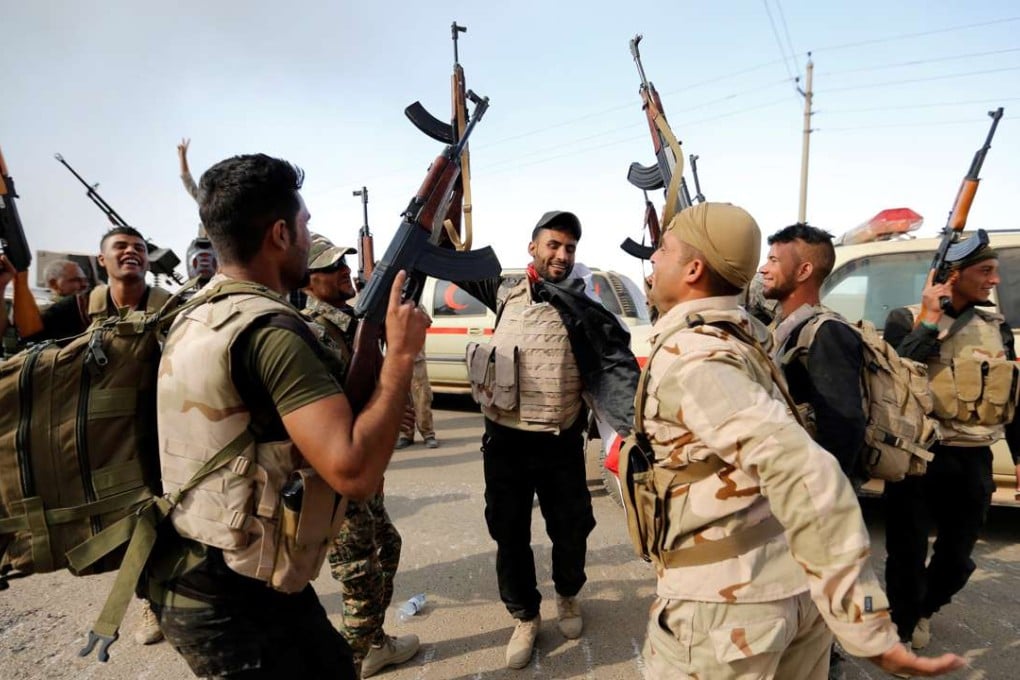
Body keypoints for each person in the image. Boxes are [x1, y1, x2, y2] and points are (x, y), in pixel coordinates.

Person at [636, 201, 964, 679]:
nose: (652, 258)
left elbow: (808, 469)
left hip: (729, 611)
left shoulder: (695, 358)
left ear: (693, 269)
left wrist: (865, 623)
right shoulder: (744, 334)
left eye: (663, 249)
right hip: (780, 589)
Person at [144, 153, 428, 679]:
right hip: (231, 593)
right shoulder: (272, 331)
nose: (307, 237)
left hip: (208, 562)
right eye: (304, 225)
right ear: (279, 233)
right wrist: (401, 359)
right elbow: (354, 472)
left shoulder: (194, 310)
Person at [458, 210, 639, 670]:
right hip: (505, 442)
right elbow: (456, 261)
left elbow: (613, 363)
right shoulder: (504, 291)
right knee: (509, 533)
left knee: (572, 528)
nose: (561, 255)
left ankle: (569, 595)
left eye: (570, 248)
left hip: (560, 442)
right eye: (553, 245)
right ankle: (525, 616)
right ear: (533, 247)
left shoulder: (582, 303)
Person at [882, 229, 1020, 651]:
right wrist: (929, 321)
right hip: (918, 457)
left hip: (973, 458)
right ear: (954, 275)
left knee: (958, 558)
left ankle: (924, 608)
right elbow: (895, 375)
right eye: (986, 271)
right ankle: (902, 629)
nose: (995, 280)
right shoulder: (906, 319)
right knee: (906, 553)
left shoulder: (996, 327)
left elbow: (1011, 392)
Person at [301, 232, 420, 677]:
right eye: (330, 267)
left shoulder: (351, 322)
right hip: (333, 478)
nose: (343, 271)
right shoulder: (312, 332)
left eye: (343, 263)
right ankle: (350, 663)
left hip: (361, 471)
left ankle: (373, 642)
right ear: (308, 280)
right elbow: (326, 410)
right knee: (360, 584)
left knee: (387, 546)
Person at [760, 223, 867, 486]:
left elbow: (844, 427)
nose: (764, 269)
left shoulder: (828, 333)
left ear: (804, 271)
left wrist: (826, 491)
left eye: (774, 261)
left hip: (814, 486)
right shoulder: (783, 327)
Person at [0, 226, 171, 345]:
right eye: (120, 246)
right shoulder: (82, 306)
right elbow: (30, 335)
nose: (131, 251)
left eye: (139, 248)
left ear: (148, 263)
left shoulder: (170, 306)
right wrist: (17, 277)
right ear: (102, 259)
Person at [395, 346, 438, 450]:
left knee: (422, 398)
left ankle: (428, 434)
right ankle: (405, 434)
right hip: (397, 359)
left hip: (417, 359)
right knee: (402, 398)